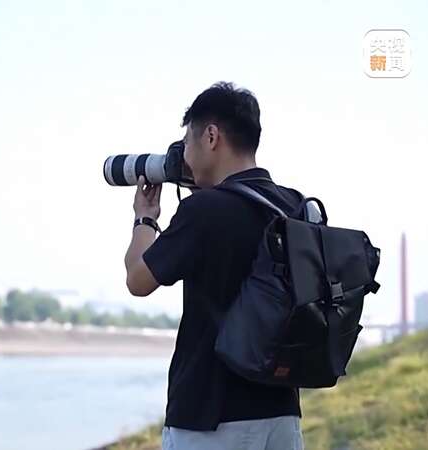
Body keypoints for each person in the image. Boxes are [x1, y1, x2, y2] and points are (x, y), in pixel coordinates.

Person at [124, 82, 305, 450]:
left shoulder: (203, 210)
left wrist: (145, 218)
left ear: (210, 136)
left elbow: (138, 280)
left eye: (186, 143)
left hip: (210, 416)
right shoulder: (295, 206)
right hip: (281, 413)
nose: (185, 158)